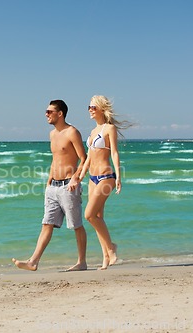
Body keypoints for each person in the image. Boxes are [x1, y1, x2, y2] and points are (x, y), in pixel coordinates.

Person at [12, 100, 87, 271]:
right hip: (53, 186)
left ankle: (82, 262)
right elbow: (56, 159)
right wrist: (48, 182)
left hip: (69, 186)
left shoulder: (72, 132)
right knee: (46, 223)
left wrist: (77, 178)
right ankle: (33, 261)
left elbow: (84, 158)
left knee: (76, 225)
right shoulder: (52, 134)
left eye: (49, 111)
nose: (46, 114)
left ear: (60, 113)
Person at [77, 95, 129, 270]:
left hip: (106, 177)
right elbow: (89, 158)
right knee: (98, 218)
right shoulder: (92, 132)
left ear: (101, 109)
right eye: (89, 107)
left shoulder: (109, 129)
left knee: (89, 215)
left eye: (93, 107)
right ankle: (105, 257)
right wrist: (79, 176)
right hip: (92, 178)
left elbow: (114, 153)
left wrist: (119, 176)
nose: (90, 110)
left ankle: (111, 248)